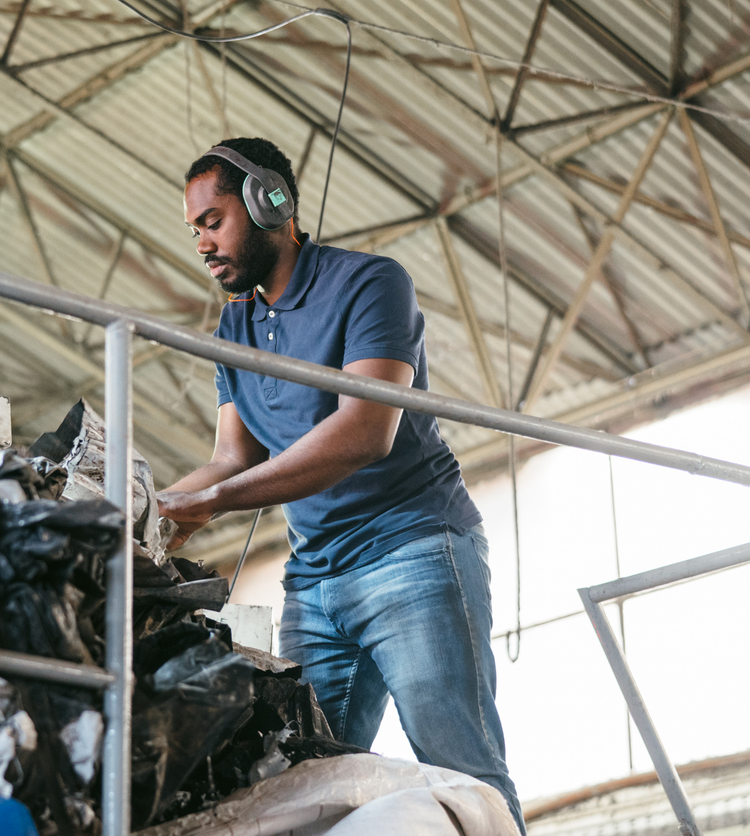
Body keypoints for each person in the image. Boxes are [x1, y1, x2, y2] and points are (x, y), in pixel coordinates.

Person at [156, 137, 525, 832]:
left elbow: (365, 430)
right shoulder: (234, 326)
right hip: (315, 580)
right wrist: (152, 510)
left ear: (270, 204)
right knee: (299, 781)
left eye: (213, 221)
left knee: (461, 773)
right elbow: (230, 457)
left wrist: (212, 503)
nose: (202, 244)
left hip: (411, 550)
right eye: (194, 229)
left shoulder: (370, 283)